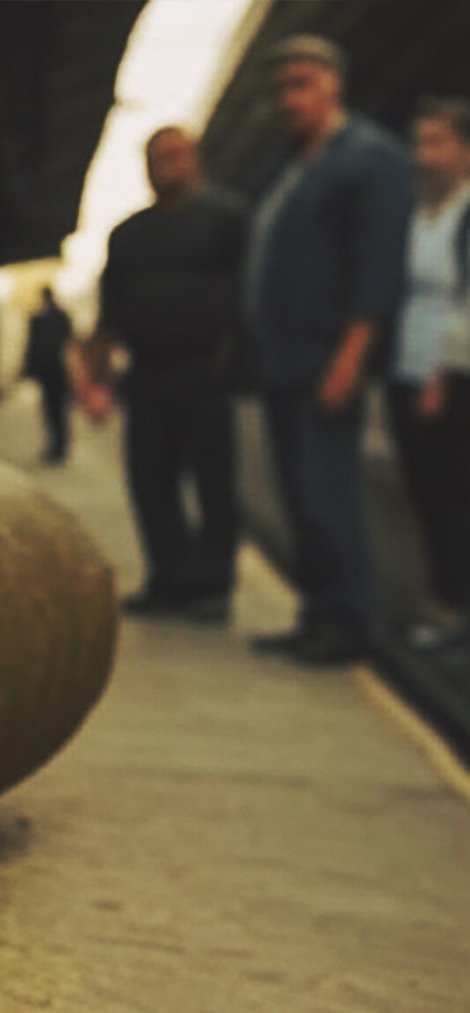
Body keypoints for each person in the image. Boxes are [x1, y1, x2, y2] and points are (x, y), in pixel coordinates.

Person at [244, 36, 413, 665]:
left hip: (325, 355)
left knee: (327, 493)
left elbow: (377, 268)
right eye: (281, 88)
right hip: (283, 358)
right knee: (298, 497)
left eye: (302, 85)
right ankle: (316, 613)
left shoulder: (371, 161)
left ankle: (349, 622)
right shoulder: (288, 167)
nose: (290, 99)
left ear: (333, 85)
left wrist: (351, 354)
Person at [80, 127, 247, 622]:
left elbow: (247, 297)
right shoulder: (128, 235)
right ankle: (167, 578)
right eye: (156, 157)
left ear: (196, 159)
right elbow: (108, 314)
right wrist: (95, 380)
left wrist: (236, 363)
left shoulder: (228, 220)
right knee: (151, 481)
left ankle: (213, 586)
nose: (166, 165)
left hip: (206, 372)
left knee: (214, 483)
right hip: (148, 375)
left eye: (175, 155)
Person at [387, 96, 470, 650]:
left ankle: (450, 605)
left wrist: (441, 371)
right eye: (419, 143)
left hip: (455, 373)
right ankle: (442, 593)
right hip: (408, 369)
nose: (423, 156)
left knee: (451, 490)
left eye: (437, 143)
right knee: (423, 489)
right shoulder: (418, 214)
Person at [25, 287, 72, 464]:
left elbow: (32, 346)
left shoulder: (38, 318)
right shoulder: (61, 317)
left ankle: (56, 445)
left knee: (51, 408)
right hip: (58, 369)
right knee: (58, 408)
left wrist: (29, 368)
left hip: (48, 370)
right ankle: (60, 445)